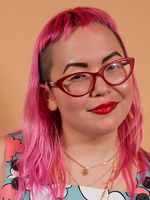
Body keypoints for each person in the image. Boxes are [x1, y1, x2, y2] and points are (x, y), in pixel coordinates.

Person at [0, 6, 150, 200]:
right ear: (49, 96)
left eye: (112, 66)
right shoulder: (5, 156)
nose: (102, 88)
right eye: (78, 76)